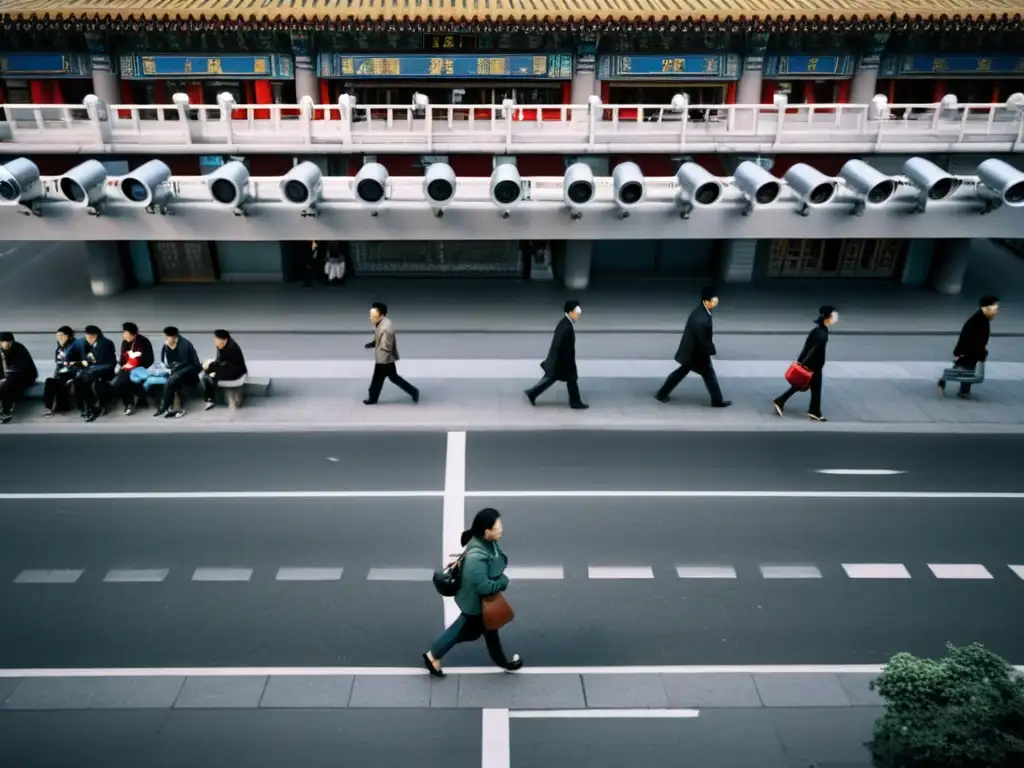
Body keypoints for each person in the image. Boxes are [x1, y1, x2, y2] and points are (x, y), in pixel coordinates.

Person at [423, 508, 523, 677]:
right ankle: (433, 656)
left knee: (488, 630)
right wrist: (503, 582)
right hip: (476, 603)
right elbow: (483, 587)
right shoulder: (477, 558)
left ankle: (504, 663)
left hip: (479, 602)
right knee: (469, 630)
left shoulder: (486, 542)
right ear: (487, 531)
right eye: (497, 527)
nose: (501, 529)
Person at [655, 287, 731, 408]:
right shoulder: (702, 319)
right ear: (706, 301)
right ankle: (717, 401)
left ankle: (662, 393)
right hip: (697, 354)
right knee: (709, 374)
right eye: (713, 299)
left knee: (681, 372)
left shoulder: (701, 311)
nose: (716, 301)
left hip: (691, 352)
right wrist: (710, 351)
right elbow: (703, 341)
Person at [772, 305, 838, 422]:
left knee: (809, 387)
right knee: (805, 386)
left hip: (813, 364)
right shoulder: (822, 333)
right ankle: (782, 401)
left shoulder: (817, 330)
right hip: (814, 365)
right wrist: (804, 364)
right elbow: (813, 349)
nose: (835, 318)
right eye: (833, 315)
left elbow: (806, 346)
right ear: (827, 317)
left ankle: (813, 410)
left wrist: (801, 360)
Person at [524, 300, 588, 409]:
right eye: (576, 314)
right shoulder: (566, 326)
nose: (578, 316)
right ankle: (575, 402)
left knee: (556, 379)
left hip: (562, 360)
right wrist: (559, 360)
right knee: (562, 379)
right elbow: (558, 344)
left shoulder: (565, 323)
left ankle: (532, 393)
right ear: (570, 312)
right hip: (563, 361)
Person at [938, 295, 999, 399]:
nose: (996, 310)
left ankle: (951, 386)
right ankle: (961, 390)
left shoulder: (982, 318)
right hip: (970, 351)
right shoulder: (978, 320)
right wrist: (969, 351)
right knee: (966, 370)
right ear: (987, 307)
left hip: (971, 350)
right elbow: (971, 337)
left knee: (963, 369)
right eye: (994, 307)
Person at [364, 302, 419, 405]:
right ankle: (373, 398)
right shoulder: (381, 322)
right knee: (388, 378)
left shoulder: (386, 326)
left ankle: (413, 391)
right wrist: (373, 343)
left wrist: (383, 357)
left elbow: (386, 344)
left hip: (385, 358)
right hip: (384, 357)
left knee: (384, 378)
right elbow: (380, 338)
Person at [109, 322, 155, 416]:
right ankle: (130, 403)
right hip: (127, 368)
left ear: (134, 334)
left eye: (126, 334)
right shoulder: (125, 342)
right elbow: (122, 358)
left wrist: (136, 362)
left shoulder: (143, 342)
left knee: (123, 380)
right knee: (122, 379)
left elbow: (149, 359)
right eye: (124, 333)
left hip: (140, 368)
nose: (124, 336)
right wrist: (126, 364)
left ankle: (130, 404)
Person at [155, 326, 201, 419]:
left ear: (174, 337)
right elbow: (165, 361)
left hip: (190, 369)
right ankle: (174, 407)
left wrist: (171, 349)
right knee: (174, 381)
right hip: (178, 371)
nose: (166, 339)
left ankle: (164, 406)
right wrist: (168, 348)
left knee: (172, 379)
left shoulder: (184, 344)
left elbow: (185, 361)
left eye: (168, 337)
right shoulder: (168, 344)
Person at [73, 325, 117, 422]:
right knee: (78, 381)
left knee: (89, 381)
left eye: (89, 337)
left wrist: (91, 370)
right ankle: (84, 407)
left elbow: (107, 364)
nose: (87, 339)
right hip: (89, 372)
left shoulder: (106, 344)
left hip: (104, 372)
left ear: (95, 336)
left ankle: (94, 407)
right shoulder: (84, 344)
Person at [199, 329, 248, 410]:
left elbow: (224, 364)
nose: (215, 341)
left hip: (235, 372)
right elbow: (220, 361)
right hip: (227, 368)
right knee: (205, 371)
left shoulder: (232, 348)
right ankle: (209, 399)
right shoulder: (222, 345)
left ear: (224, 340)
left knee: (208, 374)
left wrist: (210, 367)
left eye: (216, 339)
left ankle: (212, 397)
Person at [42, 326, 84, 416]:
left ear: (69, 336)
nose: (59, 338)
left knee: (72, 384)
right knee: (50, 382)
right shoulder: (59, 349)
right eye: (57, 335)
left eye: (62, 335)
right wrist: (56, 376)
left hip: (75, 375)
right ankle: (48, 408)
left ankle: (83, 408)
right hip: (63, 376)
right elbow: (58, 365)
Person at [0, 332, 39, 424]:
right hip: (9, 376)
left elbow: (22, 369)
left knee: (6, 386)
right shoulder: (1, 350)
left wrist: (5, 378)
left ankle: (6, 412)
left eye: (7, 342)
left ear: (11, 342)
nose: (4, 345)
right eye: (2, 342)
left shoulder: (19, 349)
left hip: (25, 376)